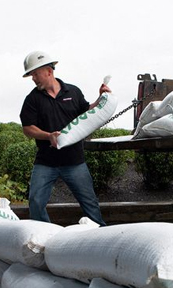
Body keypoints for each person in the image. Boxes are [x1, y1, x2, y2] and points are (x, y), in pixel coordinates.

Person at [19, 51, 109, 226]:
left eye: (35, 74)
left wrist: (101, 97)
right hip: (46, 162)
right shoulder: (32, 99)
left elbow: (87, 112)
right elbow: (28, 128)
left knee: (90, 203)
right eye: (31, 75)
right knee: (36, 202)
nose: (33, 79)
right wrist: (48, 136)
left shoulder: (73, 92)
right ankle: (44, 237)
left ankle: (101, 236)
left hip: (74, 161)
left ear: (48, 72)